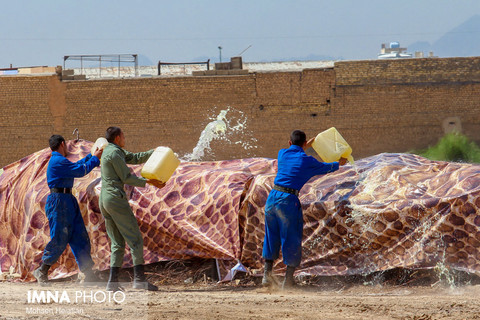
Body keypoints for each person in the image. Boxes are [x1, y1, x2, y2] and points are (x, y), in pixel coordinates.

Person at [262, 130, 348, 289]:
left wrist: (304, 145)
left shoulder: (282, 154)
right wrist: (341, 162)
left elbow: (294, 151)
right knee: (291, 237)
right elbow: (328, 167)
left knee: (271, 234)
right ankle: (288, 281)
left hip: (272, 198)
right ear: (304, 144)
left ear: (289, 143)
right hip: (288, 201)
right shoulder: (308, 161)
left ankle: (267, 276)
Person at [99, 127, 165, 292]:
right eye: (123, 135)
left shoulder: (113, 151)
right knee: (135, 239)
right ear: (117, 137)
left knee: (118, 243)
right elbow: (127, 178)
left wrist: (154, 152)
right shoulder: (114, 153)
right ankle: (139, 280)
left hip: (105, 200)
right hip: (115, 199)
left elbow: (134, 157)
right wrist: (150, 182)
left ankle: (112, 284)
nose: (124, 138)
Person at [34, 135, 103, 285]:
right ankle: (42, 270)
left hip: (67, 200)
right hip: (59, 201)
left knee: (79, 235)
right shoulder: (58, 161)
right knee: (60, 238)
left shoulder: (59, 161)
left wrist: (91, 155)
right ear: (62, 144)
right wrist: (95, 158)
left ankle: (88, 273)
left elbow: (76, 166)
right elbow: (80, 171)